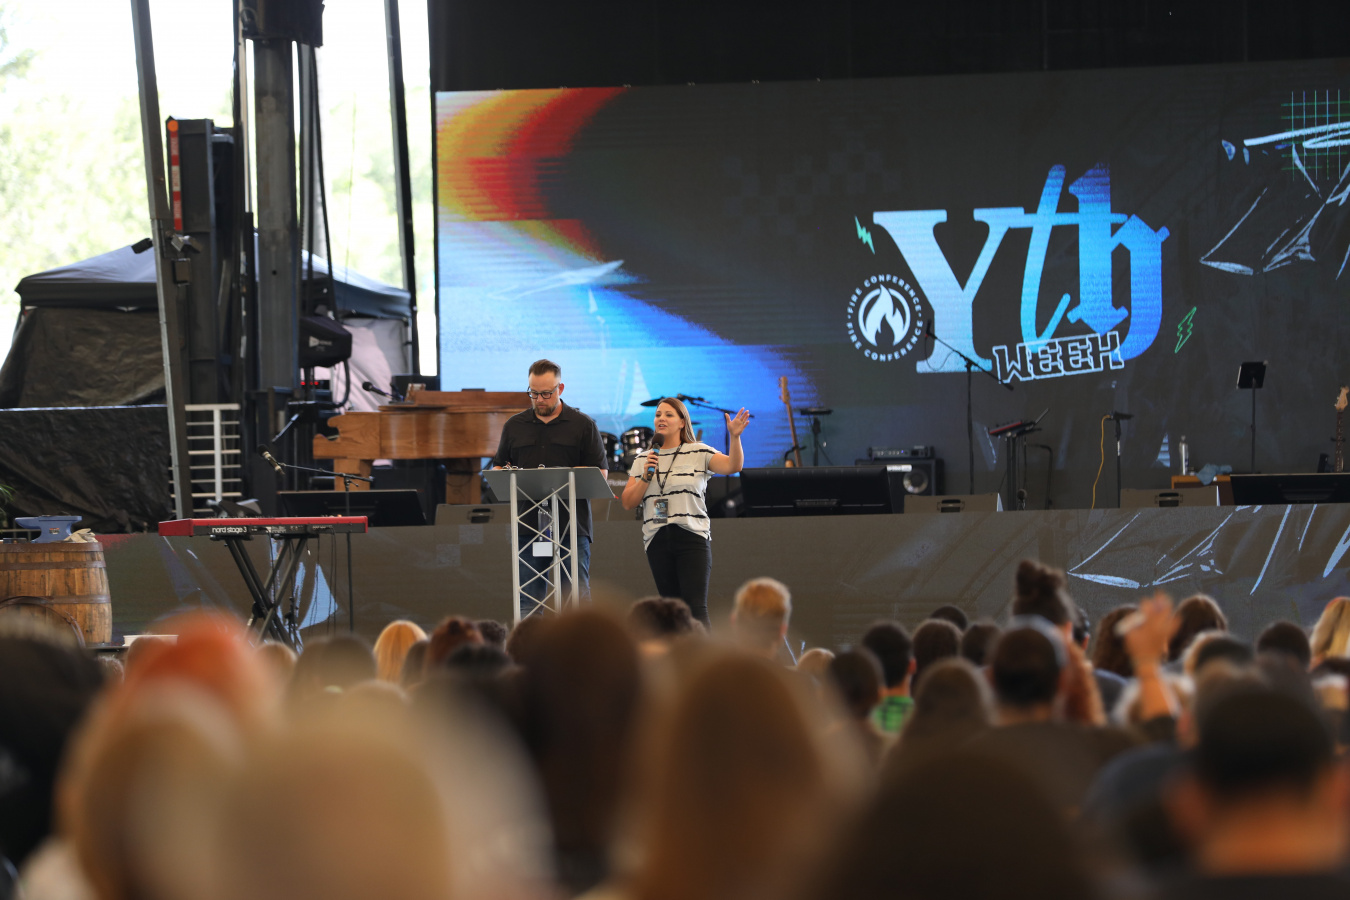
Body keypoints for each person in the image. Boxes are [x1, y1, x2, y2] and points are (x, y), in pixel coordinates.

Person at [491, 359, 608, 615]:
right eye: (533, 393)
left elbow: (601, 473)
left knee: (576, 601)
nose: (539, 400)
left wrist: (569, 474)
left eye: (546, 393)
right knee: (529, 601)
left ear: (560, 388)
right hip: (530, 525)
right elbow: (498, 467)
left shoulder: (583, 425)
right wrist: (504, 474)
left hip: (572, 525)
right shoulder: (514, 426)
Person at [620, 397, 749, 627]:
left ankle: (703, 652)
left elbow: (733, 466)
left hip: (692, 536)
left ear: (682, 422)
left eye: (668, 415)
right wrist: (646, 477)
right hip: (657, 538)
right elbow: (628, 502)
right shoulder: (643, 459)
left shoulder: (698, 451)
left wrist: (735, 437)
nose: (661, 419)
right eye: (658, 414)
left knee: (695, 607)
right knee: (670, 611)